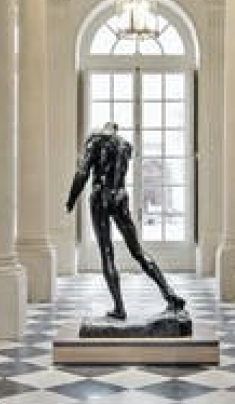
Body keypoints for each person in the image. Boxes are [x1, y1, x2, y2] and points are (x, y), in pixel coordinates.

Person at [64, 122, 184, 319]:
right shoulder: (125, 145)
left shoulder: (94, 142)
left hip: (101, 198)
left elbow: (82, 173)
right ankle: (169, 294)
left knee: (107, 253)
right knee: (138, 251)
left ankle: (119, 308)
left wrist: (71, 199)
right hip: (120, 197)